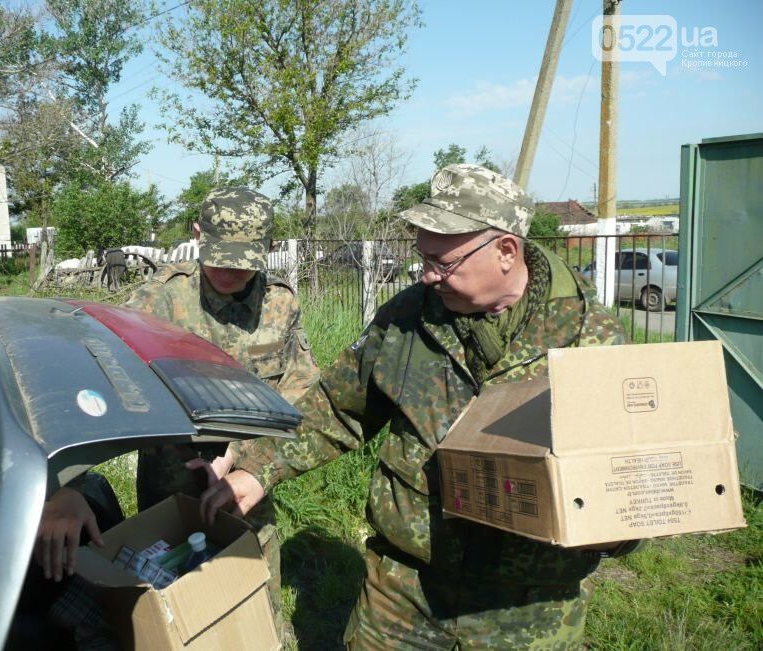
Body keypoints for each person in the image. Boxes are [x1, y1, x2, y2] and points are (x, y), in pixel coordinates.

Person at [200, 165, 637, 649]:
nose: (428, 275)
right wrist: (259, 470)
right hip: (404, 586)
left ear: (506, 252)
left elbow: (626, 470)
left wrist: (616, 528)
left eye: (442, 262)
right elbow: (340, 407)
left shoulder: (590, 338)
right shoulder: (408, 318)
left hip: (527, 604)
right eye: (422, 257)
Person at [35, 186, 320, 636]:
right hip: (169, 480)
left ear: (267, 250)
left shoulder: (280, 302)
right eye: (219, 255)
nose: (228, 270)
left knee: (256, 601)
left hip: (247, 476)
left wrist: (241, 456)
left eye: (243, 261)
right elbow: (91, 389)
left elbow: (301, 390)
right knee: (175, 597)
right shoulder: (159, 300)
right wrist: (62, 484)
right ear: (197, 234)